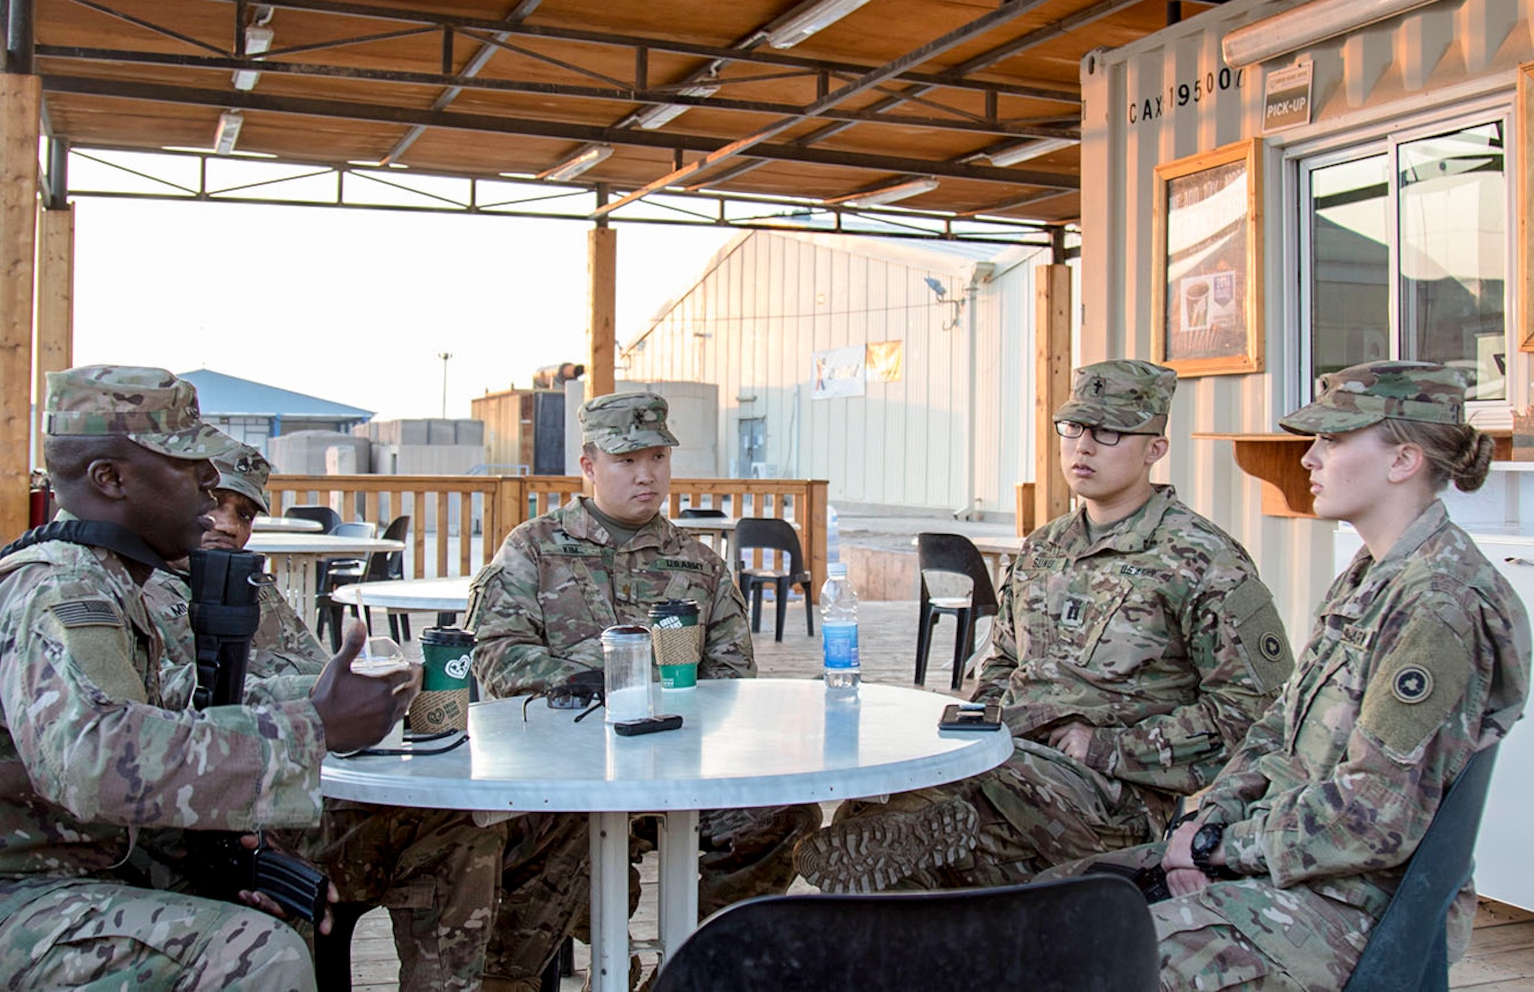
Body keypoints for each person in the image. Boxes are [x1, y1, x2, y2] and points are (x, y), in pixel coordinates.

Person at [0, 366, 412, 991]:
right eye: (188, 466)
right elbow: (95, 759)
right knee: (256, 954)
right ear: (110, 479)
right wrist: (312, 726)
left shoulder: (109, 580)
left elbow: (162, 706)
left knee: (273, 905)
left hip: (52, 872)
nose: (210, 483)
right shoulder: (58, 588)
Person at [1046, 360, 1530, 991]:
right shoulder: (1370, 574)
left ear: (1403, 460)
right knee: (1047, 904)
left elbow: (1372, 818)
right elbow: (1278, 728)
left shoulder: (1441, 605)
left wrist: (1222, 847)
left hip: (1349, 906)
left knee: (1088, 961)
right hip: (1283, 862)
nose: (1309, 458)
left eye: (1332, 440)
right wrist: (1204, 823)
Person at [793, 359, 1295, 893]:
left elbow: (1255, 713)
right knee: (885, 799)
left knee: (945, 810)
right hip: (1010, 754)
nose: (1084, 446)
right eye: (1074, 427)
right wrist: (975, 722)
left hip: (1110, 794)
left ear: (1154, 449)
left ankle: (914, 833)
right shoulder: (1043, 549)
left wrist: (1106, 748)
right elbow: (1005, 661)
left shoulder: (1203, 559)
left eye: (1109, 432)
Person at [467, 390, 821, 981]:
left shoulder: (699, 564)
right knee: (549, 853)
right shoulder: (534, 548)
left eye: (656, 457)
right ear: (589, 465)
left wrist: (683, 711)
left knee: (783, 817)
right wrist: (593, 683)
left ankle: (697, 961)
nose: (646, 475)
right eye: (626, 460)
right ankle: (591, 961)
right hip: (565, 772)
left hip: (679, 768)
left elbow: (734, 677)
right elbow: (495, 657)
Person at [139, 441, 506, 992]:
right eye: (214, 501)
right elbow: (172, 702)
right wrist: (315, 697)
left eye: (243, 513)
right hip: (200, 833)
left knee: (462, 825)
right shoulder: (136, 587)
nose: (227, 523)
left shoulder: (252, 588)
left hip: (301, 809)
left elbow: (324, 670)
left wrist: (377, 682)